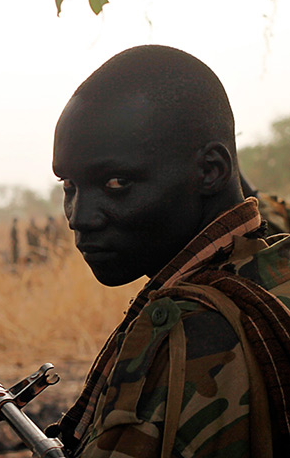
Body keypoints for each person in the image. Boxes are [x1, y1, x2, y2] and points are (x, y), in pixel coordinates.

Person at [48, 45, 290, 457]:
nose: (78, 216)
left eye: (116, 184)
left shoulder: (184, 331)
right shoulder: (273, 273)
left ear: (210, 170)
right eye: (69, 186)